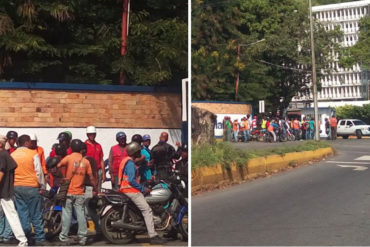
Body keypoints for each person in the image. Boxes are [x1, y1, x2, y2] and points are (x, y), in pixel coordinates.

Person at [118, 142, 165, 245]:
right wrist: (143, 189)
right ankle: (153, 236)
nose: (140, 152)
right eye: (138, 151)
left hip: (126, 190)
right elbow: (131, 180)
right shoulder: (130, 163)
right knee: (147, 210)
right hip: (131, 190)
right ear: (135, 152)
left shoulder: (127, 161)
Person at [57, 139, 96, 246]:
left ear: (72, 148)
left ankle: (64, 236)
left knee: (67, 214)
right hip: (79, 193)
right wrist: (95, 188)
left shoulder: (69, 158)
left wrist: (63, 177)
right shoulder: (86, 161)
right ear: (81, 149)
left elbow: (59, 165)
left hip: (68, 192)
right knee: (81, 215)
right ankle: (83, 238)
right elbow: (91, 177)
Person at [11, 135, 45, 245]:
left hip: (17, 187)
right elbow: (39, 172)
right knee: (35, 213)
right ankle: (40, 238)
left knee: (22, 213)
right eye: (30, 142)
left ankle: (26, 235)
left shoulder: (13, 155)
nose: (31, 144)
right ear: (26, 143)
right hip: (31, 186)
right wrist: (42, 185)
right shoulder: (33, 154)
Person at [0, 135, 28, 247]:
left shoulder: (2, 155)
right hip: (5, 190)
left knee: (11, 215)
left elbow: (1, 173)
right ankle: (22, 239)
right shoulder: (6, 155)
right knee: (12, 214)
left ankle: (22, 240)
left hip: (4, 191)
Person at [80, 142, 102, 241]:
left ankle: (98, 231)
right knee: (86, 211)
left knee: (88, 211)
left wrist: (95, 189)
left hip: (88, 188)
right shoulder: (86, 160)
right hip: (84, 187)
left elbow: (95, 175)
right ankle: (97, 231)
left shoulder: (87, 160)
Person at [84, 126, 105, 192]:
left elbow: (101, 160)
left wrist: (104, 174)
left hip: (98, 171)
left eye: (93, 134)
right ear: (87, 135)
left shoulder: (98, 145)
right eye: (90, 134)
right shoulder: (84, 145)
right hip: (88, 171)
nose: (92, 135)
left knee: (98, 189)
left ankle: (98, 201)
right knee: (89, 189)